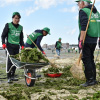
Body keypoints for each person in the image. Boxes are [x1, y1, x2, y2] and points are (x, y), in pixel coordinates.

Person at [76, 0, 100, 87]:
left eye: (78, 3)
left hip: (86, 38)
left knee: (86, 59)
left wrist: (81, 41)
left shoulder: (83, 11)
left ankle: (90, 80)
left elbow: (84, 26)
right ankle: (93, 79)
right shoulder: (96, 12)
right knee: (91, 58)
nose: (78, 5)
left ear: (83, 3)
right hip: (94, 39)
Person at [1, 12, 24, 83]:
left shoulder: (20, 27)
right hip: (9, 46)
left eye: (18, 18)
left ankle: (13, 75)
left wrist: (22, 45)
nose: (17, 20)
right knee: (10, 61)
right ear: (13, 18)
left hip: (16, 46)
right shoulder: (8, 25)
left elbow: (21, 38)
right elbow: (3, 35)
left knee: (16, 61)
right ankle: (8, 77)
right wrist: (3, 43)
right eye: (15, 18)